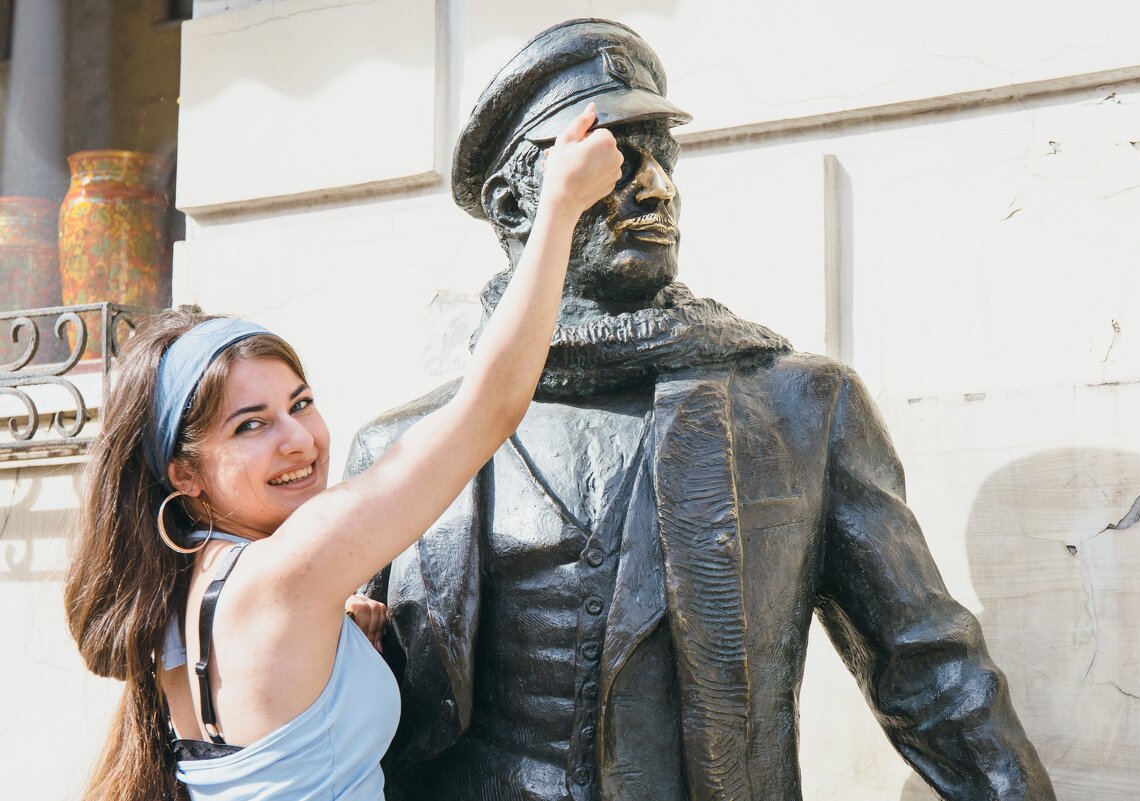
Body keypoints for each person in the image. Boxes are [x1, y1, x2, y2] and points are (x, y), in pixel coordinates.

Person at [346, 18, 1057, 801]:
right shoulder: (396, 449)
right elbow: (333, 720)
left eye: (664, 156)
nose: (657, 186)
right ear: (516, 203)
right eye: (615, 160)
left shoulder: (800, 409)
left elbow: (929, 672)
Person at [62, 104, 622, 801]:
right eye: (250, 426)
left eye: (300, 403)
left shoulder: (182, 595)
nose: (298, 439)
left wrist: (339, 650)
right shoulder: (287, 570)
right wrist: (560, 206)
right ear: (186, 473)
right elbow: (489, 409)